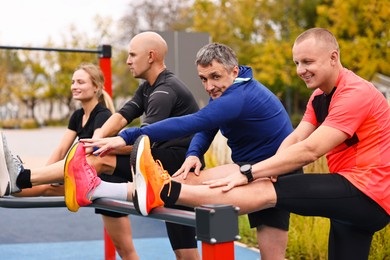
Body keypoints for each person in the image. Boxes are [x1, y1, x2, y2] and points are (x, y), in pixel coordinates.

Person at [95, 28, 389, 260]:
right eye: (297, 62)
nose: (301, 70)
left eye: (308, 62)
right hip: (337, 190)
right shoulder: (318, 97)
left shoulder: (355, 94)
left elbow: (311, 150)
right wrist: (205, 154)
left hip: (368, 189)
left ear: (334, 58)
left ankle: (163, 189)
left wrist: (252, 172)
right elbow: (297, 137)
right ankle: (146, 188)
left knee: (260, 191)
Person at [73, 42, 298, 259]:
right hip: (251, 169)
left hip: (277, 173)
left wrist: (125, 137)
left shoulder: (238, 97)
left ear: (234, 71)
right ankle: (100, 188)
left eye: (215, 77)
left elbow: (192, 122)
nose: (209, 86)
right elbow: (208, 126)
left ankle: (100, 188)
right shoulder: (230, 87)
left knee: (180, 186)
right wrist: (194, 153)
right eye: (203, 79)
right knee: (181, 184)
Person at [0, 31, 203, 260]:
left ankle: (20, 178)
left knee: (99, 160)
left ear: (151, 56)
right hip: (165, 161)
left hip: (175, 163)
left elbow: (144, 143)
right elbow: (121, 117)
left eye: (132, 55)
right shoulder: (147, 87)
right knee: (185, 251)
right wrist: (99, 138)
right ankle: (19, 179)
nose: (127, 61)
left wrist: (102, 147)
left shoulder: (164, 91)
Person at [0, 63, 139, 260]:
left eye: (80, 82)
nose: (74, 86)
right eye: (73, 82)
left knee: (125, 249)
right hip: (87, 175)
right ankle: (13, 182)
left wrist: (44, 179)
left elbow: (95, 152)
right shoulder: (78, 115)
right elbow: (61, 149)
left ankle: (12, 182)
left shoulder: (103, 116)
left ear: (96, 87)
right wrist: (45, 175)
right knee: (44, 186)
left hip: (108, 179)